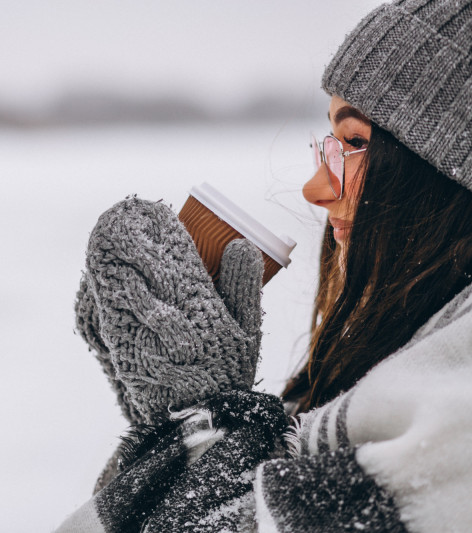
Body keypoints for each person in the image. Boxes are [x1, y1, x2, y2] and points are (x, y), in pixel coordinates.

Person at [55, 0, 472, 531]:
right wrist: (177, 421)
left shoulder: (457, 421)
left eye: (356, 142)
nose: (316, 188)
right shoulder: (413, 374)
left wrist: (204, 417)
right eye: (331, 141)